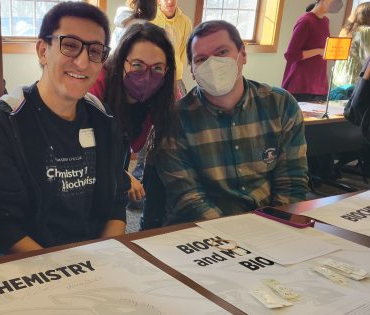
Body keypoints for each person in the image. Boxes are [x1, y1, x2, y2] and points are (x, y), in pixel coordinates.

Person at [0, 2, 128, 258]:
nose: (83, 61)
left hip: (96, 261)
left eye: (95, 51)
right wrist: (72, 270)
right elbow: (0, 225)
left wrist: (103, 259)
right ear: (43, 51)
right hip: (28, 267)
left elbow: (117, 203)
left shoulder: (103, 119)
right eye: (70, 45)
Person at [155, 20, 309, 224]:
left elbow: (292, 182)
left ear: (243, 54)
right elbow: (188, 197)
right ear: (192, 69)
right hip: (202, 229)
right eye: (201, 59)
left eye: (221, 53)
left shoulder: (280, 105)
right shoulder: (176, 118)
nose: (212, 64)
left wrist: (275, 225)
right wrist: (235, 235)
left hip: (268, 223)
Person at [89, 22, 177, 230]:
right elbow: (81, 146)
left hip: (118, 154)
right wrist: (120, 173)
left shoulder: (161, 98)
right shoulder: (97, 86)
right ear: (121, 62)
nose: (147, 76)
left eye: (157, 68)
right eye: (137, 65)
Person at [282, 0, 344, 102]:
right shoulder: (305, 21)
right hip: (300, 85)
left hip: (319, 85)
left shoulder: (325, 21)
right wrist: (319, 51)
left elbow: (324, 48)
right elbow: (291, 55)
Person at [151, 0, 192, 97]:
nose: (170, 1)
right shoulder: (150, 20)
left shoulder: (186, 22)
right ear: (158, 1)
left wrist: (177, 70)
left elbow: (183, 51)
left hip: (176, 78)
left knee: (180, 108)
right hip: (154, 76)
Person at [333, 3, 370, 90]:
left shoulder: (347, 31)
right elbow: (367, 58)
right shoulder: (366, 31)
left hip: (339, 77)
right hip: (354, 78)